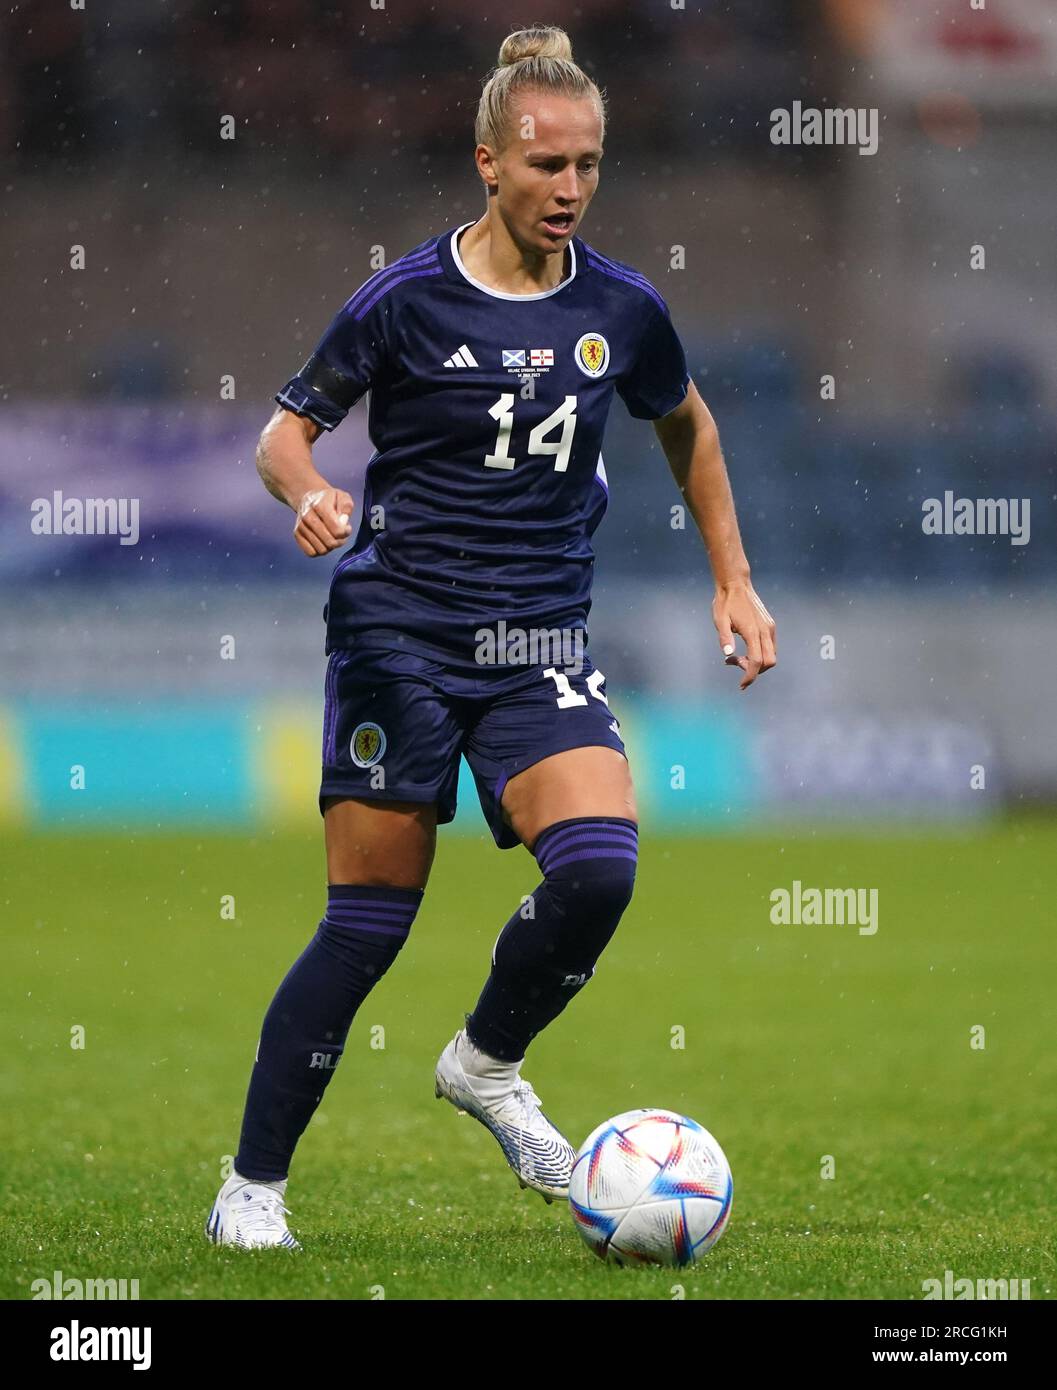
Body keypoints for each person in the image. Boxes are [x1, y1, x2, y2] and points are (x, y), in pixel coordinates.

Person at [206, 24, 776, 1250]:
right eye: (544, 166)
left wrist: (733, 580)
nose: (568, 189)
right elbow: (282, 433)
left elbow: (689, 426)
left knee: (599, 869)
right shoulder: (403, 300)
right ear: (487, 162)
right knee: (364, 930)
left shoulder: (624, 309)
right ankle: (251, 1186)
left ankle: (483, 1061)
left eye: (586, 166)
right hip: (398, 636)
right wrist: (304, 490)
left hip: (539, 643)